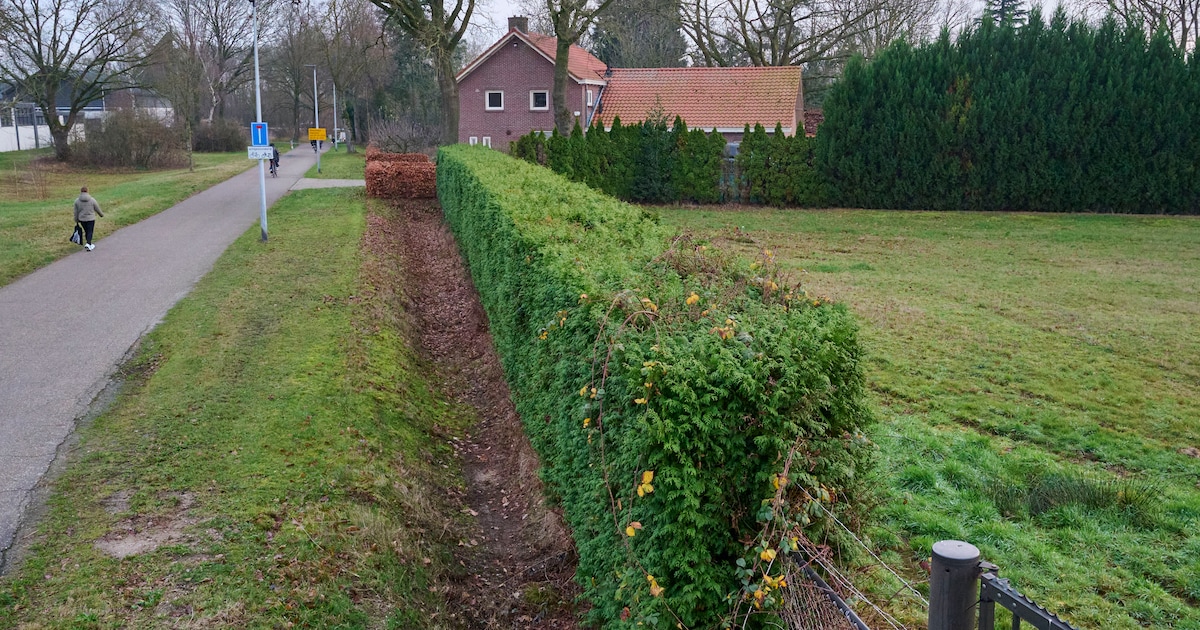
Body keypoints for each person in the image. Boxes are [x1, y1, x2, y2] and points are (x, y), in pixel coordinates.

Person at [73, 186, 104, 251]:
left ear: (81, 192)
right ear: (87, 191)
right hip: (91, 218)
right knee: (90, 231)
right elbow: (97, 208)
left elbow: (75, 211)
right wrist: (101, 215)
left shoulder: (77, 201)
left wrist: (76, 219)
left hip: (82, 219)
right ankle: (88, 243)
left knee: (86, 231)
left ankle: (88, 243)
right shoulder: (92, 200)